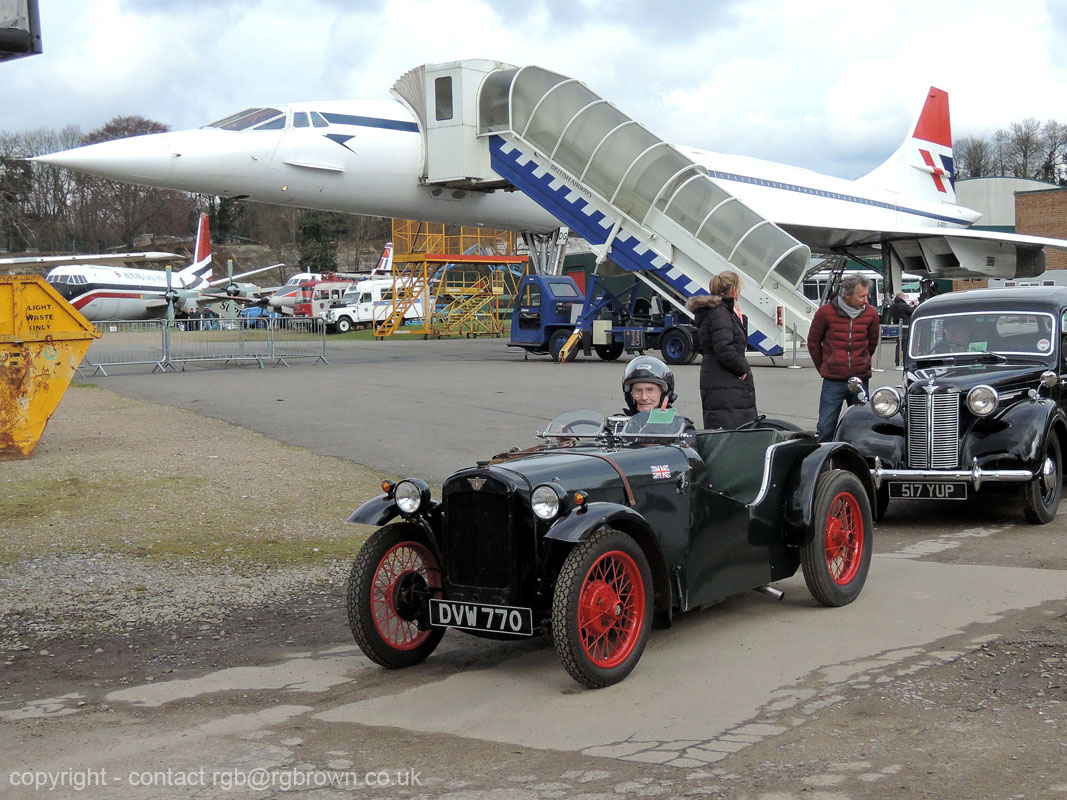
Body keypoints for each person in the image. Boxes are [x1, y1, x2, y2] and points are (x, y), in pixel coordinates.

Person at [807, 274, 881, 441]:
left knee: (862, 425)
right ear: (847, 295)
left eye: (867, 295)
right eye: (861, 296)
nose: (865, 300)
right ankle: (823, 461)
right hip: (833, 380)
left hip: (860, 379)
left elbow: (872, 342)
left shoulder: (871, 314)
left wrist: (862, 361)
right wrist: (824, 367)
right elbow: (813, 342)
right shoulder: (825, 312)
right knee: (826, 426)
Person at [686, 270, 757, 429]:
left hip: (719, 378)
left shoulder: (720, 311)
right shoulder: (720, 312)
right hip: (725, 379)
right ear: (733, 289)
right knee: (732, 428)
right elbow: (723, 347)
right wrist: (742, 369)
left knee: (729, 424)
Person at [889, 292, 914, 366]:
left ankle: (897, 362)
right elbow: (911, 311)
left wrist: (908, 305)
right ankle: (904, 362)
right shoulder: (903, 305)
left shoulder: (893, 306)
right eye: (904, 296)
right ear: (900, 296)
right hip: (905, 327)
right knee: (905, 345)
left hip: (897, 327)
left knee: (898, 345)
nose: (904, 297)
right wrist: (914, 305)